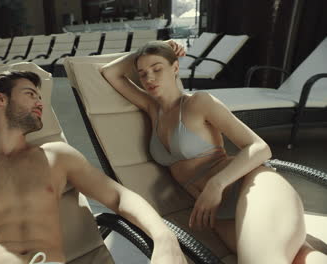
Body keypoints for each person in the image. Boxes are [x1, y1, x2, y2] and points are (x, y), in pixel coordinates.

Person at [0, 71, 187, 264]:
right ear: (0, 99)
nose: (40, 102)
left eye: (40, 97)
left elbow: (120, 198)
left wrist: (164, 239)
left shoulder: (56, 156)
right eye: (30, 94)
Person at [100, 40, 327, 264]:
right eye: (142, 74)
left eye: (157, 69)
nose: (149, 78)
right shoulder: (152, 109)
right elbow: (109, 72)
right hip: (218, 214)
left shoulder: (199, 102)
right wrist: (157, 45)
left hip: (251, 186)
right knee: (298, 256)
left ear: (175, 68)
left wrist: (216, 184)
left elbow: (259, 148)